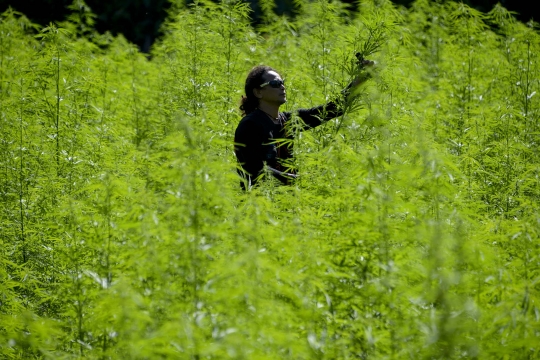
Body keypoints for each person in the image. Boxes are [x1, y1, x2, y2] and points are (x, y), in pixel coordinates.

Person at [234, 60, 373, 190]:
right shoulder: (250, 125)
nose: (282, 87)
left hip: (286, 202)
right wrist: (293, 179)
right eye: (275, 84)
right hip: (259, 205)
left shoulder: (288, 120)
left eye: (282, 83)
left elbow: (332, 109)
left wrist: (360, 79)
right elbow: (255, 169)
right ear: (258, 92)